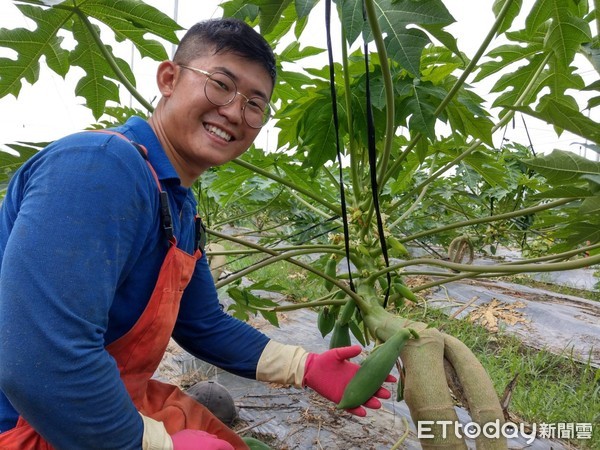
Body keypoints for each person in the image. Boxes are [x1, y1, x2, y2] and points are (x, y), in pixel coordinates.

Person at [0, 17, 395, 450]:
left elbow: (202, 324)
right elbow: (40, 364)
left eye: (254, 104)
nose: (233, 112)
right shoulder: (100, 166)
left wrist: (305, 365)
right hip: (31, 420)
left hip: (103, 399)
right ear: (169, 79)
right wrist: (153, 444)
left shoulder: (179, 204)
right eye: (220, 84)